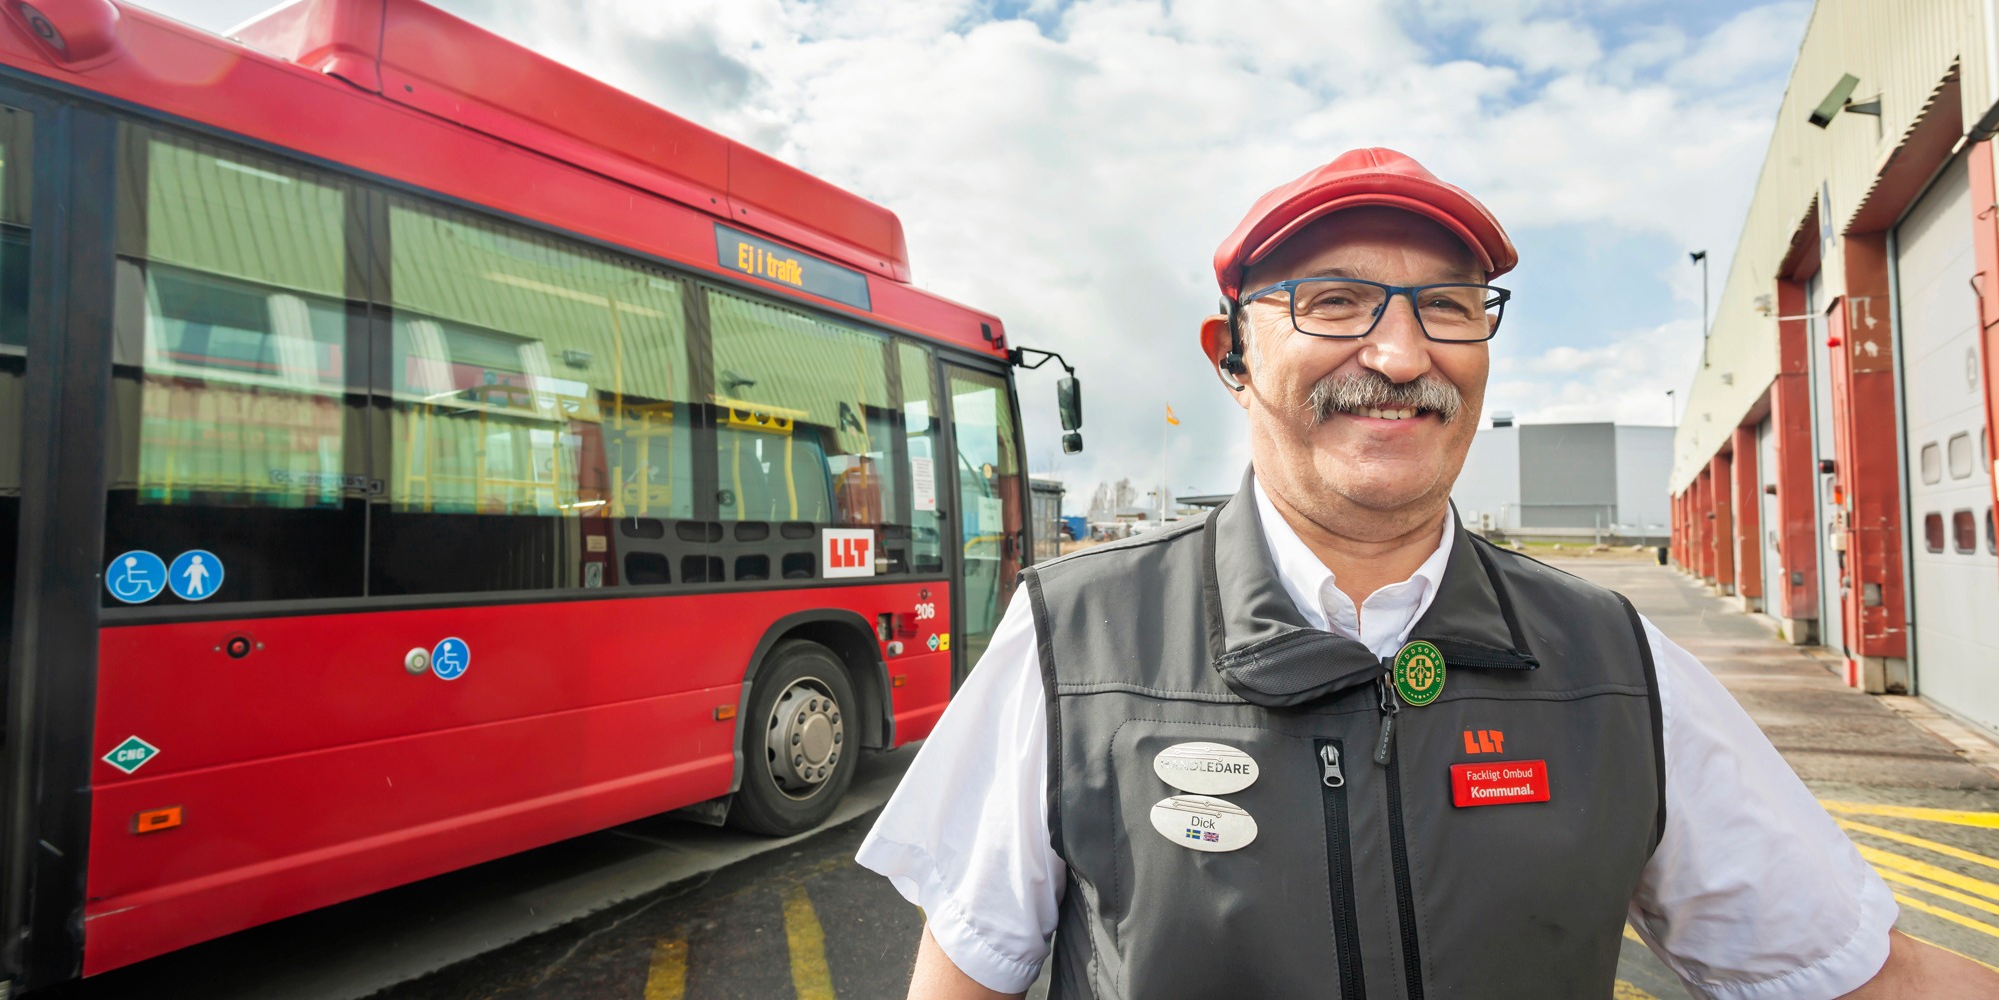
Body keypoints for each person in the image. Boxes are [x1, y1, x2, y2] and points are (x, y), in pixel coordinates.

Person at [856, 148, 1999, 998]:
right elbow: (965, 979)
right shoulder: (1072, 642)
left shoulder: (1615, 665)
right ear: (1231, 356)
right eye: (1333, 301)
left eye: (1447, 307)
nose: (1400, 356)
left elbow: (1859, 973)